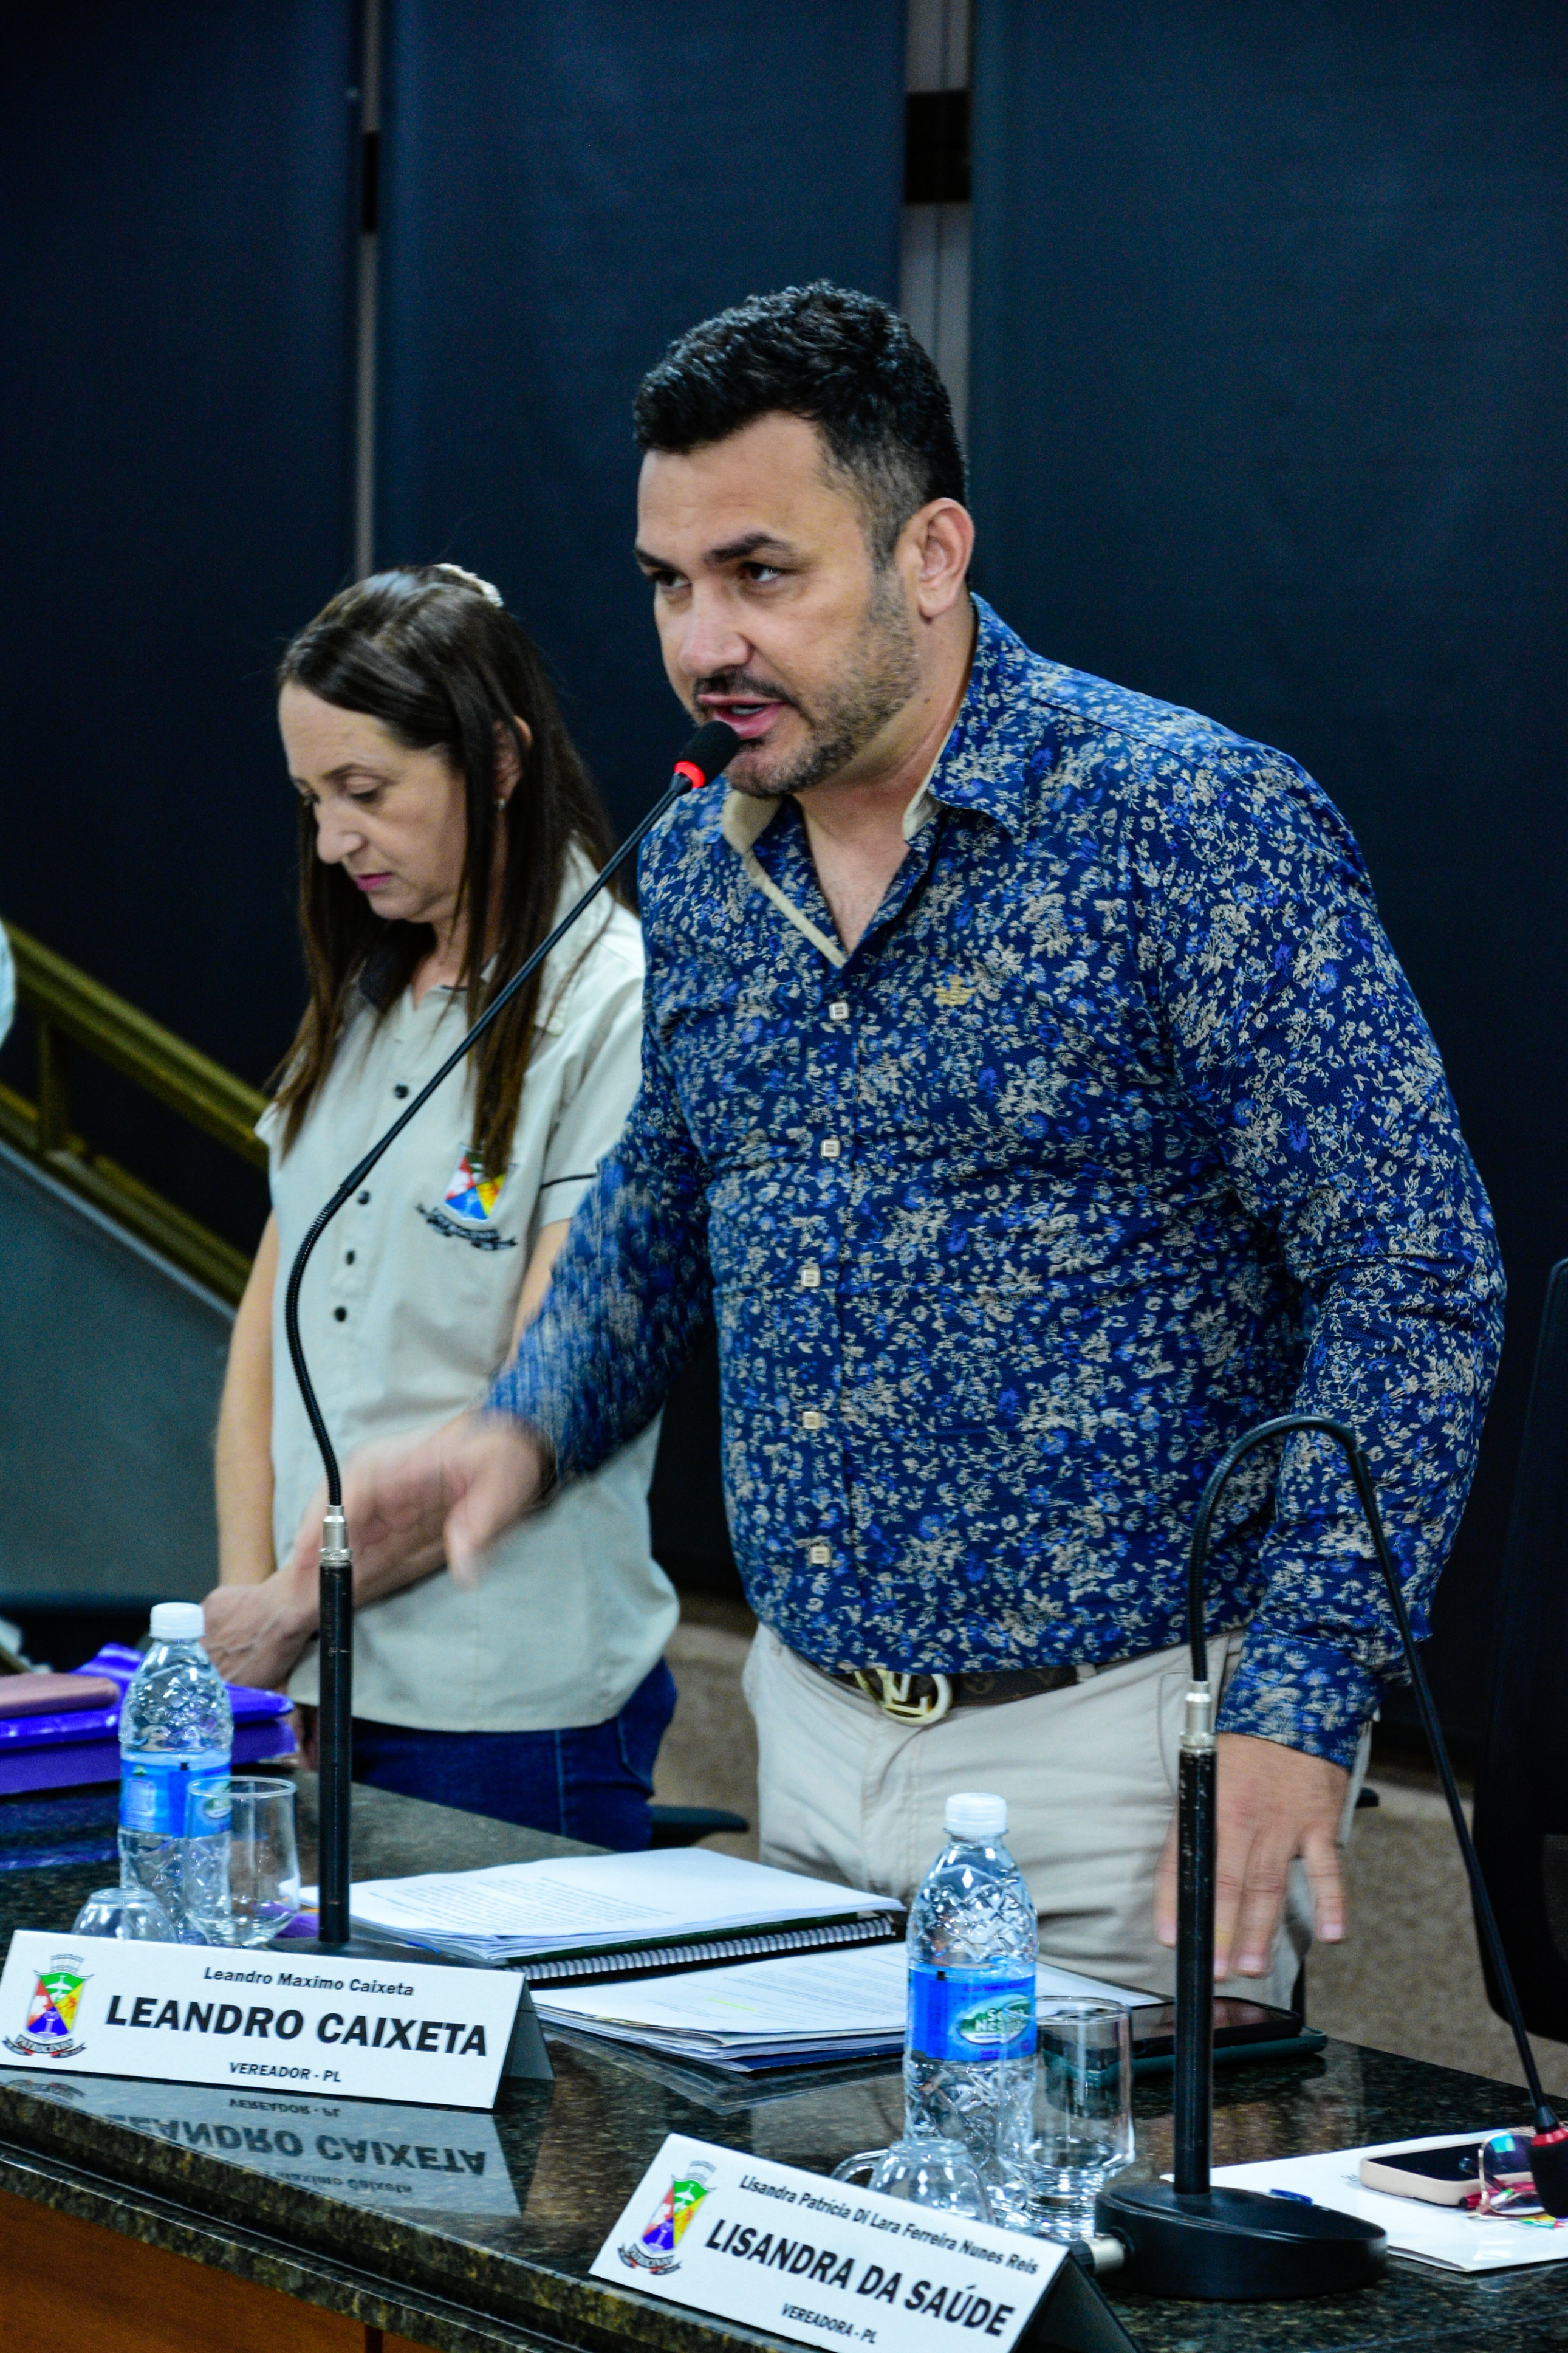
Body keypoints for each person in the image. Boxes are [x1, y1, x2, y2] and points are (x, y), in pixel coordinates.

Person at [281, 289, 1503, 1999]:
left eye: (758, 573)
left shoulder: (1181, 823)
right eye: (667, 583)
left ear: (928, 553)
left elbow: (1411, 1273)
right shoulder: (701, 865)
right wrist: (523, 1422)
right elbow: (662, 1202)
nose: (702, 642)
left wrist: (1300, 1691)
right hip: (804, 1734)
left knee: (1099, 2193)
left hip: (1117, 1756)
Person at [200, 563, 678, 1847]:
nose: (332, 841)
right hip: (310, 1672)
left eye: (366, 793)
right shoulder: (368, 992)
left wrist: (298, 1608)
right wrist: (260, 1622)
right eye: (311, 799)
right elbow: (267, 1329)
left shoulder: (613, 1000)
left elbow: (553, 1374)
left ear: (499, 759)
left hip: (503, 1710)